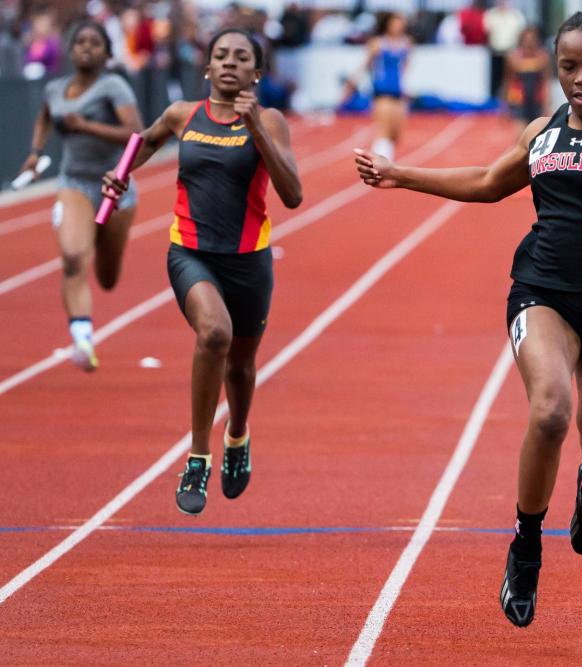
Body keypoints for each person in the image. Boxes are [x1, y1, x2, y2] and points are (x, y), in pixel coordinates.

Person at [354, 10, 582, 627]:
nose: (580, 79)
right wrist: (400, 176)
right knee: (552, 409)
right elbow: (485, 181)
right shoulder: (543, 129)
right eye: (568, 67)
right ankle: (526, 550)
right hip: (543, 293)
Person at [101, 28, 302, 515]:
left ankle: (237, 434)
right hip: (190, 252)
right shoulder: (182, 115)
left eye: (241, 58)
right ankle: (197, 456)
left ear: (256, 72)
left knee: (241, 366)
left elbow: (293, 194)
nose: (229, 63)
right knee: (215, 334)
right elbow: (144, 142)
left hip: (249, 261)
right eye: (220, 56)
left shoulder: (269, 120)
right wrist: (119, 174)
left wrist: (256, 129)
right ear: (207, 67)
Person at [19, 21, 143, 371]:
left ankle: (107, 251)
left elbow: (135, 134)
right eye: (80, 42)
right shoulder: (55, 89)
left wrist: (87, 126)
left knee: (106, 277)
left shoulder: (113, 86)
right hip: (73, 181)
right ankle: (83, 340)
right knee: (74, 258)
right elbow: (45, 118)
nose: (86, 48)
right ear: (70, 50)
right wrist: (35, 150)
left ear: (107, 52)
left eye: (94, 43)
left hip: (114, 188)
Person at [344, 13, 411, 161]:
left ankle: (383, 160)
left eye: (401, 23)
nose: (399, 26)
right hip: (382, 92)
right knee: (384, 130)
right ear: (388, 25)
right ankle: (378, 165)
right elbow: (365, 64)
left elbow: (404, 68)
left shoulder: (406, 43)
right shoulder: (378, 43)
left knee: (395, 134)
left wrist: (405, 87)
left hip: (397, 92)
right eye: (395, 23)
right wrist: (352, 82)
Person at [504, 26, 551, 135]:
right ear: (521, 40)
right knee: (521, 135)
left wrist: (547, 104)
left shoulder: (543, 56)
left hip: (536, 99)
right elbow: (507, 80)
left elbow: (546, 81)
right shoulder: (513, 56)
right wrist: (505, 105)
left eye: (532, 40)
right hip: (518, 99)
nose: (529, 43)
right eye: (526, 40)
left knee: (537, 135)